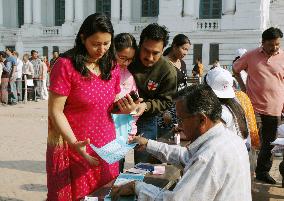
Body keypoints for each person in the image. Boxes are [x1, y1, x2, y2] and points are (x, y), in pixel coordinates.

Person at [47, 13, 137, 201]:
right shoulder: (65, 66)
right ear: (82, 38)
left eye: (106, 43)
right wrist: (74, 144)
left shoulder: (110, 65)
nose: (102, 49)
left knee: (105, 193)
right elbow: (55, 111)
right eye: (96, 44)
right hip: (77, 147)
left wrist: (125, 109)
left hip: (107, 146)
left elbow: (108, 106)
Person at [111, 84, 252, 201]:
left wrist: (137, 187)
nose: (178, 126)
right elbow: (186, 156)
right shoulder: (227, 138)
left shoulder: (209, 157)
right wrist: (148, 144)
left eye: (181, 119)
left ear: (202, 119)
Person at [233, 27, 284, 184]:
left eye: (277, 44)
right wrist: (244, 88)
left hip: (275, 108)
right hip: (253, 107)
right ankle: (244, 171)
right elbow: (235, 70)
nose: (274, 48)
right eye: (271, 44)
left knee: (270, 142)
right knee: (252, 140)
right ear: (263, 43)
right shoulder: (250, 55)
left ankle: (262, 171)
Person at [128, 23, 177, 164]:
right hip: (120, 118)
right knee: (114, 162)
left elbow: (167, 101)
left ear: (163, 51)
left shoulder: (168, 71)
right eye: (146, 50)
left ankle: (139, 186)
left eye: (155, 53)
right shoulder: (128, 58)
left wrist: (147, 106)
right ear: (139, 45)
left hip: (147, 119)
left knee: (143, 164)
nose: (149, 57)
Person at [113, 33, 139, 172]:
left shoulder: (129, 75)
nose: (125, 63)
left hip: (122, 133)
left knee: (117, 171)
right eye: (122, 58)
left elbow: (134, 107)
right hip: (106, 133)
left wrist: (131, 130)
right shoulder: (106, 72)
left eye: (129, 59)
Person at [157, 34, 190, 137]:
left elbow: (184, 86)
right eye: (183, 49)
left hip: (180, 108)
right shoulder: (162, 63)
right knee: (165, 139)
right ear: (174, 46)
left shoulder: (183, 64)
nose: (185, 53)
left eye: (187, 50)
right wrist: (164, 112)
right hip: (166, 109)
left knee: (177, 139)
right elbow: (157, 89)